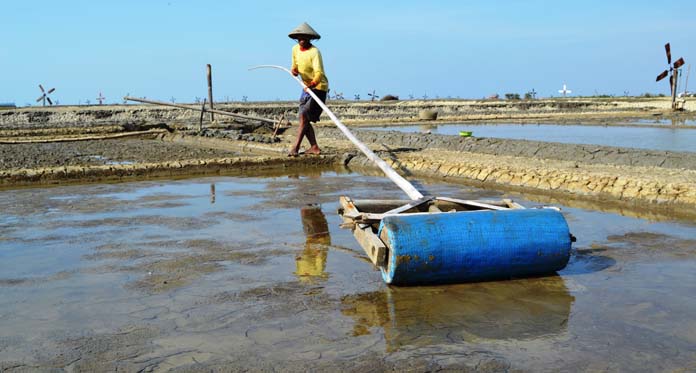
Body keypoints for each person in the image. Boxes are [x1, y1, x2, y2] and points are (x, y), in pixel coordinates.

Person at [288, 22, 329, 157]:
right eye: (299, 38)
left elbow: (319, 73)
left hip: (318, 87)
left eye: (304, 38)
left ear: (310, 39)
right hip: (305, 87)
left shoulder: (315, 52)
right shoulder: (295, 49)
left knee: (304, 116)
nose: (301, 40)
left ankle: (296, 147)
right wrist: (294, 71)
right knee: (302, 118)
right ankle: (314, 147)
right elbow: (295, 66)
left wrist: (312, 84)